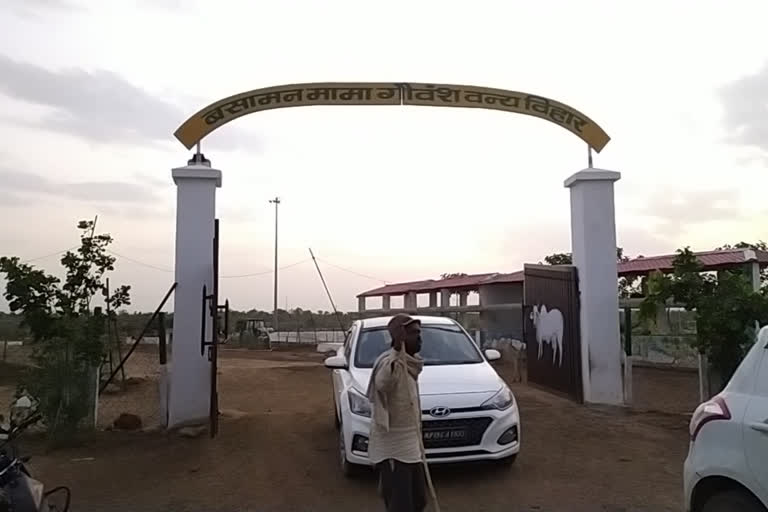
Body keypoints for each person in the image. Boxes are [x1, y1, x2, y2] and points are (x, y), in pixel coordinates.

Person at [366, 314, 431, 512]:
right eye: (414, 334)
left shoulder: (412, 363)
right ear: (401, 337)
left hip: (412, 442)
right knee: (401, 505)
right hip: (394, 445)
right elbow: (383, 384)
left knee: (419, 500)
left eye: (419, 333)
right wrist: (396, 349)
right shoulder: (390, 363)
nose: (420, 338)